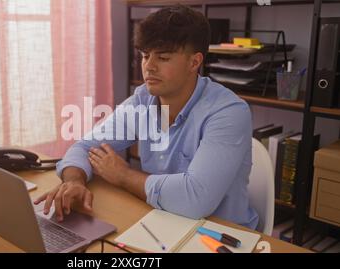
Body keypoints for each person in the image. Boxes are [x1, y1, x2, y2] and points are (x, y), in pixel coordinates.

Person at [35, 5, 258, 229]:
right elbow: (84, 147)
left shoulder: (228, 112)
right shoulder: (143, 100)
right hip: (164, 221)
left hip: (221, 234)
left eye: (162, 57)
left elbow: (195, 199)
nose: (149, 67)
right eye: (145, 56)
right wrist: (75, 181)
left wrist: (123, 176)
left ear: (194, 62)